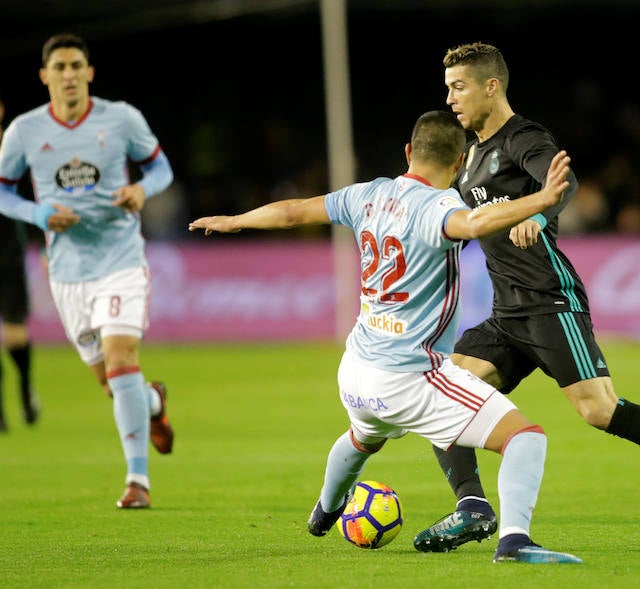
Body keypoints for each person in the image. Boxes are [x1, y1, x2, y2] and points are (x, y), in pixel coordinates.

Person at [412, 42, 640, 552]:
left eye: (459, 86)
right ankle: (472, 507)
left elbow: (564, 182)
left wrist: (537, 216)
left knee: (600, 411)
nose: (450, 98)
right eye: (447, 87)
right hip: (504, 314)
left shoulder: (524, 138)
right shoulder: (468, 158)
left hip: (549, 303)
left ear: (491, 86)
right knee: (442, 395)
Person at [189, 110, 582, 564]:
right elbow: (474, 225)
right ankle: (515, 543)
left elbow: (294, 211)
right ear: (459, 165)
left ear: (409, 152)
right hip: (410, 377)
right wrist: (543, 199)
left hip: (356, 371)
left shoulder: (367, 195)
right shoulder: (441, 207)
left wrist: (235, 221)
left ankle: (325, 509)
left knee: (363, 438)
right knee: (526, 437)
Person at [0, 33, 175, 508]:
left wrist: (142, 191)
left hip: (120, 259)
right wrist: (38, 214)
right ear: (45, 76)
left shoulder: (121, 119)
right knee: (112, 382)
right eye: (60, 67)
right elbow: (1, 193)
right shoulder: (24, 131)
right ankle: (152, 403)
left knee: (120, 358)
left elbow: (161, 169)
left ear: (89, 73)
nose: (69, 74)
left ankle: (138, 483)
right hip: (68, 272)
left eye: (77, 65)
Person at [0, 82, 41, 434]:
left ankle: (25, 387)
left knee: (15, 335)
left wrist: (45, 241)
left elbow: (37, 196)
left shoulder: (14, 150)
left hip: (7, 258)